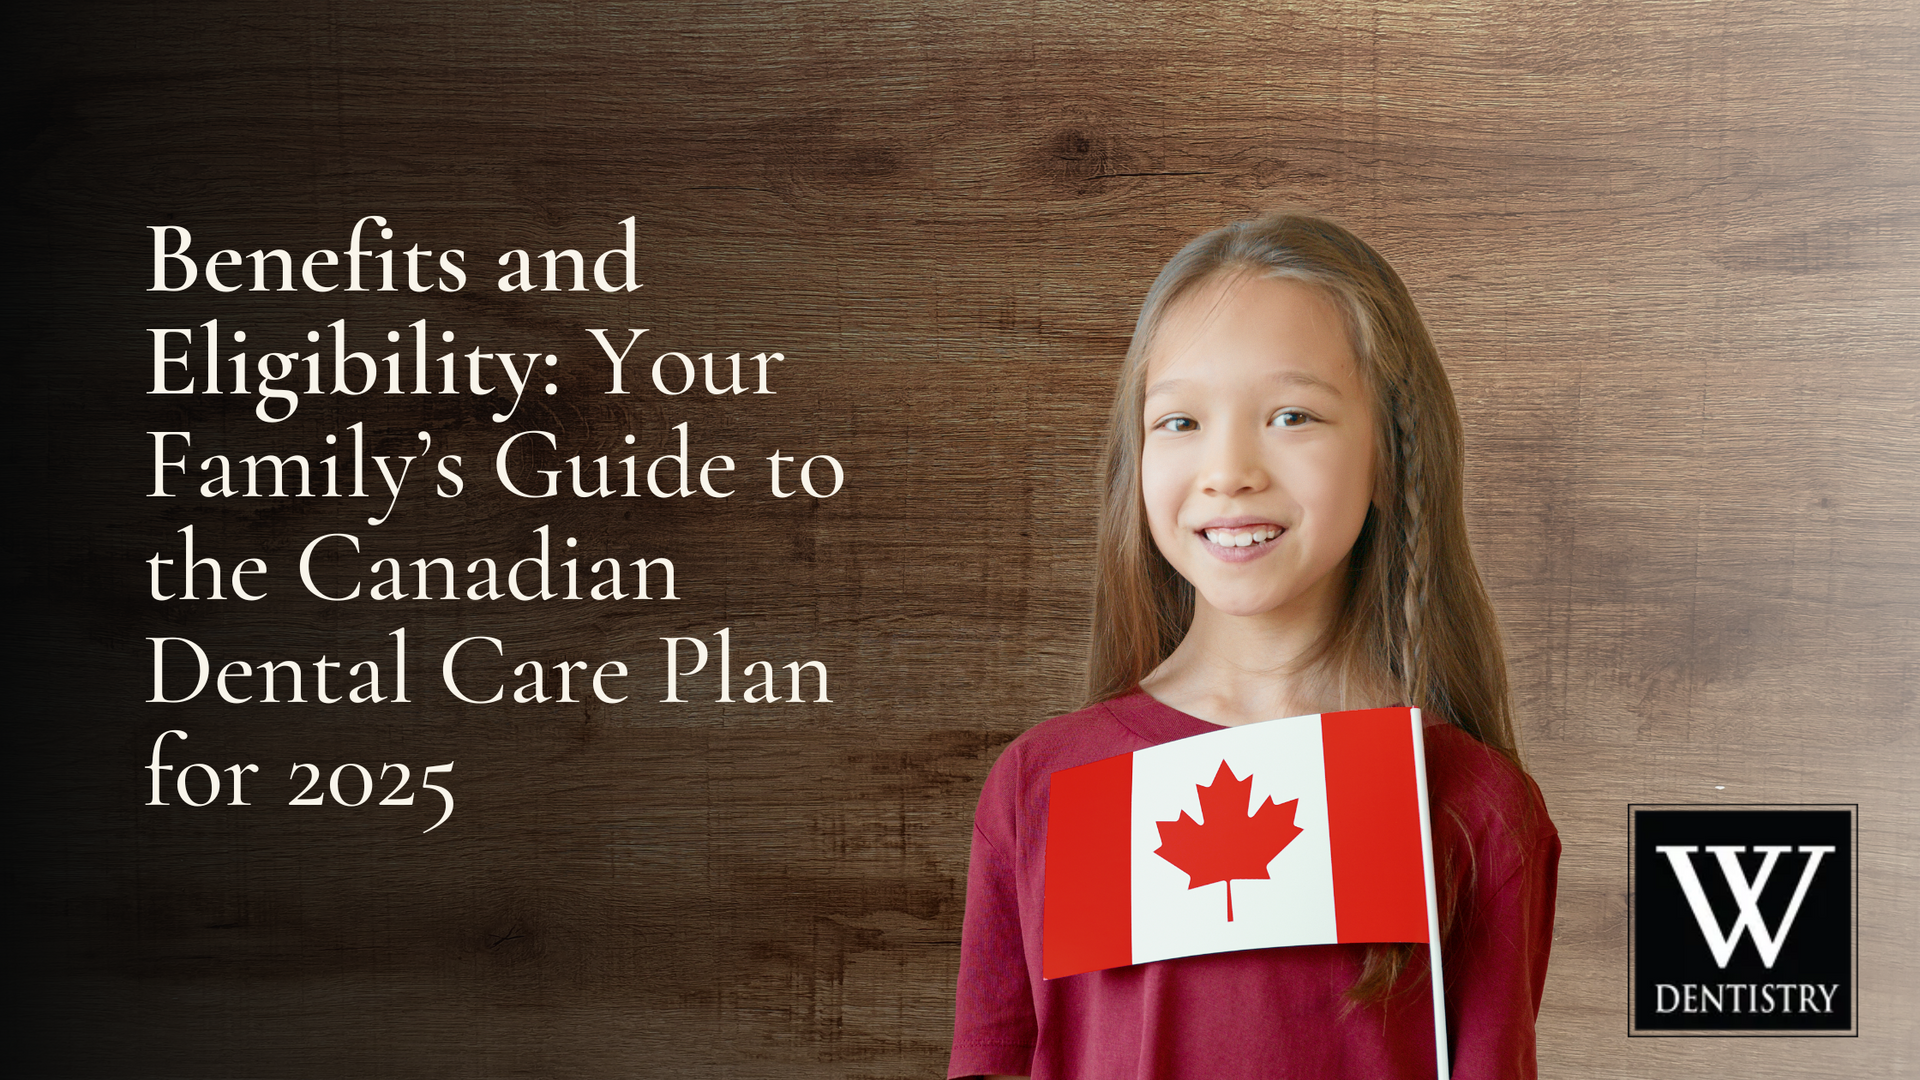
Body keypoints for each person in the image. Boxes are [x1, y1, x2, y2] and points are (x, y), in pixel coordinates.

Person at [948, 212, 1560, 1080]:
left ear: (1390, 451)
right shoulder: (1047, 783)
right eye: (1181, 421)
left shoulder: (1471, 805)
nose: (1229, 468)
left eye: (1291, 414)